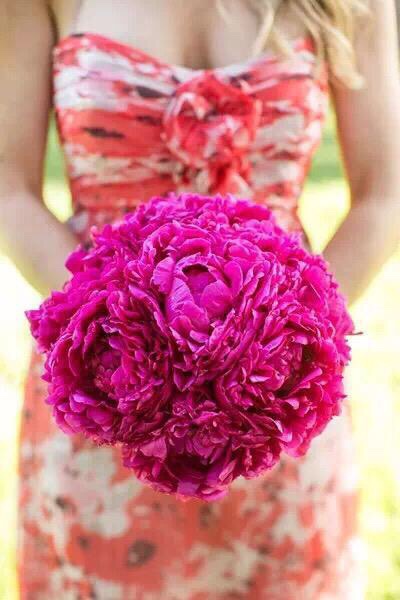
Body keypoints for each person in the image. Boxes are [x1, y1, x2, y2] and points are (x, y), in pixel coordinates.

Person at [1, 1, 400, 598]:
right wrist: (111, 332)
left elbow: (384, 195)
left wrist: (285, 342)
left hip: (273, 396)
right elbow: (8, 186)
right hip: (110, 389)